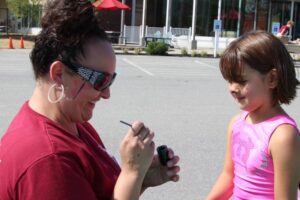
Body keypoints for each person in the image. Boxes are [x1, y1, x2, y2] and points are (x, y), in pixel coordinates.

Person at [0, 0, 180, 199]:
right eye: (100, 80)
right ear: (59, 74)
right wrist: (131, 173)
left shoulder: (72, 124)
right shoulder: (49, 162)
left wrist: (141, 179)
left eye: (110, 80)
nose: (106, 93)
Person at [206, 31, 300, 199]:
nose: (232, 88)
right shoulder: (237, 122)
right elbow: (228, 176)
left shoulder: (282, 135)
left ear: (272, 79)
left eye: (241, 81)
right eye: (229, 80)